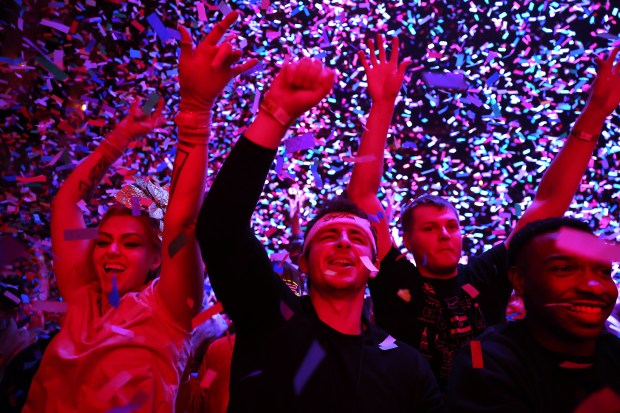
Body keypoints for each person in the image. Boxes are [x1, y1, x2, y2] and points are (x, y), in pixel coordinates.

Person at [347, 38, 620, 389]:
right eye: (430, 229)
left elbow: (548, 203)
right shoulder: (395, 276)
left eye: (451, 226)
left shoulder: (485, 274)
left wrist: (594, 114)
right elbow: (363, 195)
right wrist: (383, 104)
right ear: (408, 240)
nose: (446, 234)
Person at [23, 11, 256, 412]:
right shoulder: (81, 299)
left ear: (155, 258)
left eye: (130, 244)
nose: (111, 251)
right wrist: (120, 138)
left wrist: (197, 110)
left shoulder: (168, 308)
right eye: (104, 241)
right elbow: (66, 204)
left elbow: (182, 220)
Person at [195, 54, 444, 412]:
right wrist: (275, 115)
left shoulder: (405, 362)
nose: (344, 241)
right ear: (304, 263)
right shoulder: (273, 318)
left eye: (358, 238)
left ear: (375, 265)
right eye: (328, 236)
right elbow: (220, 226)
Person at [447, 217, 620, 412]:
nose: (595, 287)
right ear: (519, 281)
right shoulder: (484, 361)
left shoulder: (614, 350)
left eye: (604, 271)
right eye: (564, 269)